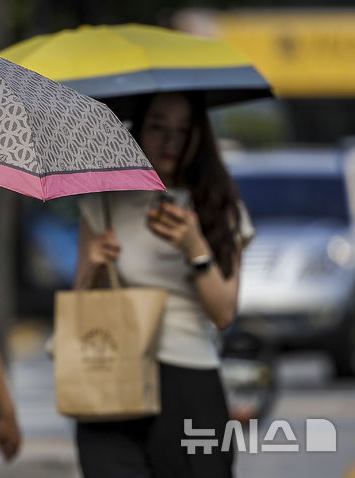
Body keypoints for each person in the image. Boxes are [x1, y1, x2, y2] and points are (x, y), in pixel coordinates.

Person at [74, 92, 254, 478]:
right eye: (158, 127)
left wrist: (195, 247)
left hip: (189, 376)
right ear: (138, 128)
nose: (170, 140)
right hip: (113, 373)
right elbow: (80, 303)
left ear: (198, 136)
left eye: (183, 130)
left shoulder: (219, 206)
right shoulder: (105, 200)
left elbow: (223, 313)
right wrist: (94, 267)